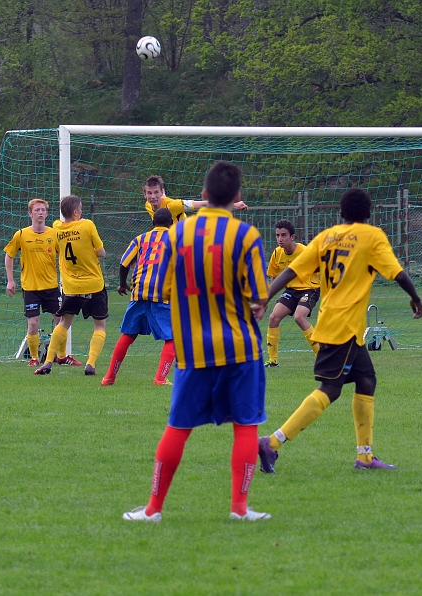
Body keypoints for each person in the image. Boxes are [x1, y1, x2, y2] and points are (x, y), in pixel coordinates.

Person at [123, 161, 270, 523]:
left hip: (193, 349)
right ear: (236, 198)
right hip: (241, 347)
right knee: (246, 425)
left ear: (204, 196)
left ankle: (154, 509)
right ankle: (239, 508)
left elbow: (167, 288)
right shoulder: (246, 236)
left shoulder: (177, 234)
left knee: (178, 427)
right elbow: (259, 297)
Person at [257, 188, 422, 473]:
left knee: (367, 381)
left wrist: (265, 297)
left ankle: (365, 456)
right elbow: (397, 272)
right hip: (343, 328)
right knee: (330, 389)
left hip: (339, 325)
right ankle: (272, 442)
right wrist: (416, 298)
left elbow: (290, 272)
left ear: (341, 212)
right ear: (368, 213)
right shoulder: (372, 236)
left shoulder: (327, 237)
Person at [101, 208, 177, 387]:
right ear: (172, 223)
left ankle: (109, 377)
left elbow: (124, 263)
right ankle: (160, 378)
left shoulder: (140, 239)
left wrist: (122, 284)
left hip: (139, 292)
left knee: (128, 335)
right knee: (173, 338)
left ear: (152, 224)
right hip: (162, 295)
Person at [34, 195, 108, 376]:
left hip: (71, 286)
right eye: (80, 209)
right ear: (76, 213)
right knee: (100, 325)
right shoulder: (87, 225)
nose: (82, 212)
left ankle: (48, 361)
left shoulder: (57, 228)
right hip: (94, 285)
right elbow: (102, 252)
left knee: (64, 323)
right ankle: (90, 364)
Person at [3, 199, 81, 367]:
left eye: (43, 210)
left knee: (60, 320)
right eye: (36, 210)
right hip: (31, 288)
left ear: (46, 213)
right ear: (30, 213)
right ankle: (34, 358)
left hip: (52, 287)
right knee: (33, 323)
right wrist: (10, 280)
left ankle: (62, 356)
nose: (40, 212)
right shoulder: (21, 235)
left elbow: (64, 256)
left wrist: (69, 275)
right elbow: (9, 255)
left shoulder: (53, 234)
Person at [264, 219, 321, 367]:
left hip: (310, 289)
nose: (280, 239)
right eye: (277, 235)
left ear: (292, 237)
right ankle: (272, 361)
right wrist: (266, 300)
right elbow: (274, 278)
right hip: (291, 291)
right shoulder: (277, 254)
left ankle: (322, 357)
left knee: (299, 317)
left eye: (283, 235)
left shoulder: (304, 251)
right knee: (273, 318)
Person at [142, 174, 246, 222]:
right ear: (145, 194)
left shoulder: (173, 205)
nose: (153, 197)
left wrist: (234, 205)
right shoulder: (148, 205)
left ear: (162, 192)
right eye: (149, 193)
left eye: (156, 192)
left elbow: (204, 204)